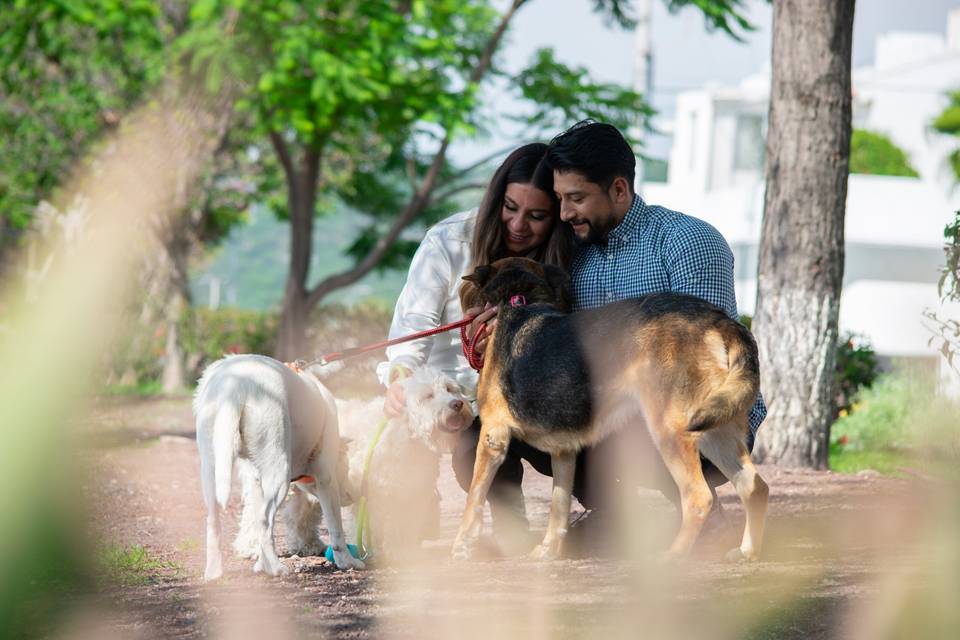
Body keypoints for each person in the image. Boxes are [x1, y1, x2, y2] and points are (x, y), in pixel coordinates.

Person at [455, 120, 767, 548]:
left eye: (576, 198)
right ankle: (576, 525)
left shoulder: (687, 241)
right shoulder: (570, 256)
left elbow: (700, 365)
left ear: (619, 190)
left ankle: (693, 509)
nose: (564, 213)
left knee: (647, 401)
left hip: (691, 410)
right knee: (482, 429)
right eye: (561, 199)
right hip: (605, 414)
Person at [375, 143, 573, 545]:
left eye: (537, 216)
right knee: (471, 447)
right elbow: (412, 327)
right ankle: (509, 526)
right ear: (494, 199)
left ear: (556, 218)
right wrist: (401, 376)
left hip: (537, 402)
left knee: (589, 461)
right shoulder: (448, 241)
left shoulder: (562, 259)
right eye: (510, 208)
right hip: (465, 402)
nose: (518, 225)